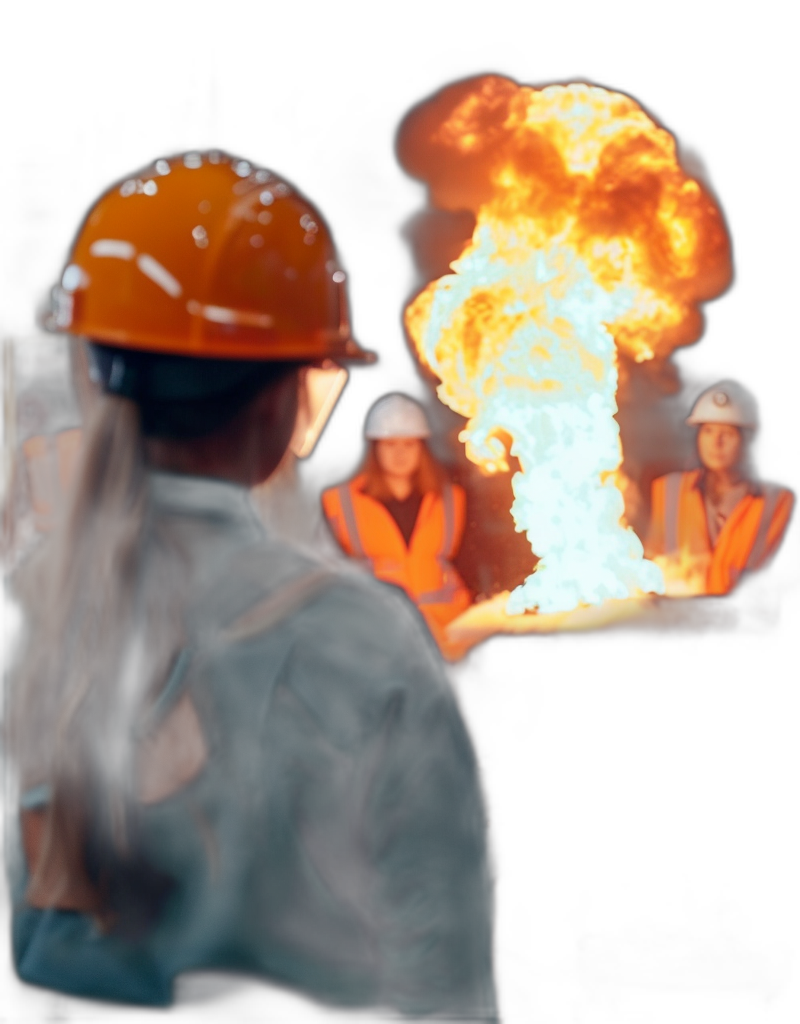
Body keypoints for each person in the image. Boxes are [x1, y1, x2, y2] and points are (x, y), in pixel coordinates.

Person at [1, 154, 498, 1022]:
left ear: (95, 369)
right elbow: (443, 987)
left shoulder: (19, 625)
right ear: (285, 399)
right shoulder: (368, 647)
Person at [320, 394, 473, 648]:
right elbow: (323, 572)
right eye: (390, 445)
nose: (400, 454)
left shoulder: (450, 500)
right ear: (375, 448)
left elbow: (471, 563)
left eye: (409, 444)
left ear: (422, 448)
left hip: (446, 637)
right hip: (375, 638)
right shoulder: (341, 503)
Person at [646, 380, 795, 595]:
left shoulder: (777, 502)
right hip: (676, 623)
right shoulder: (667, 489)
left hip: (744, 625)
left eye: (728, 433)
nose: (716, 442)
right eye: (707, 431)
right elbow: (651, 563)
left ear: (748, 440)